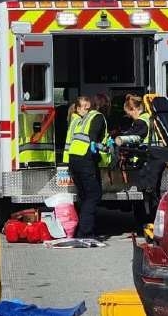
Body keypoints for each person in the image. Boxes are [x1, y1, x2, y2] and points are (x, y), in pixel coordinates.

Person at [65, 96, 108, 239]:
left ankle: (82, 229)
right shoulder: (97, 117)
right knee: (94, 195)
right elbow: (93, 138)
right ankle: (86, 232)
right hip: (85, 159)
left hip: (74, 159)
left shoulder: (80, 119)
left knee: (84, 196)